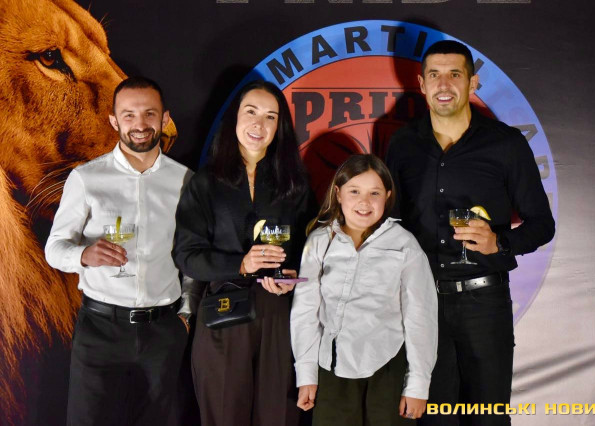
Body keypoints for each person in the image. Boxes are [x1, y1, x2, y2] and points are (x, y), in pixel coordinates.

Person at [386, 40, 556, 425]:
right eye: (434, 75)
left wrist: (500, 242)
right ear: (421, 84)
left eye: (455, 74)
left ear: (473, 83)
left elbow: (542, 225)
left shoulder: (505, 144)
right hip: (422, 303)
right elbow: (391, 224)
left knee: (488, 418)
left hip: (485, 303)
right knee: (432, 419)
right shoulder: (402, 143)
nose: (444, 84)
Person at [44, 76, 192, 425]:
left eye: (149, 114)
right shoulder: (86, 178)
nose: (140, 124)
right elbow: (54, 248)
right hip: (100, 330)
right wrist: (83, 255)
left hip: (163, 332)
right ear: (114, 121)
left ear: (165, 118)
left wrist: (185, 315)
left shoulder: (186, 180)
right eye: (129, 115)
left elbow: (191, 254)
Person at [172, 80, 315, 426]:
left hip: (278, 315)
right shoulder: (205, 182)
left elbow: (311, 250)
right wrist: (240, 263)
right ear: (235, 117)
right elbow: (186, 255)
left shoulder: (295, 184)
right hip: (223, 312)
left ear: (279, 126)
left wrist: (292, 276)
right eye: (251, 112)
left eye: (270, 116)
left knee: (278, 416)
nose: (259, 124)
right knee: (224, 415)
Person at [291, 154, 438, 425]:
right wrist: (306, 374)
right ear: (338, 193)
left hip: (388, 367)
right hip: (331, 369)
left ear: (388, 196)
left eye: (375, 193)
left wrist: (418, 384)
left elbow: (421, 317)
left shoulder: (405, 245)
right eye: (355, 191)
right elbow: (305, 313)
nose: (364, 201)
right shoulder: (319, 241)